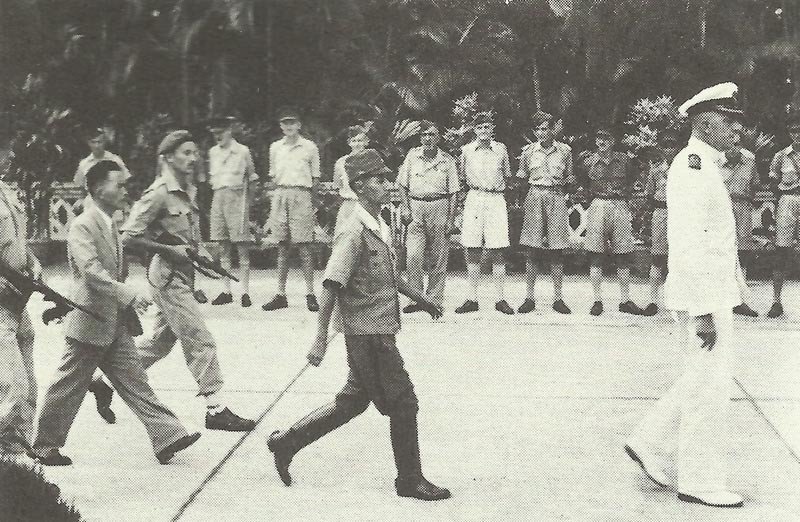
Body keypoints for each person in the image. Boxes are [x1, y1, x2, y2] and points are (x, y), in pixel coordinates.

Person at [266, 150, 451, 501]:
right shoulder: (353, 231)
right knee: (404, 402)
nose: (387, 185)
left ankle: (286, 442)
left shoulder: (378, 223)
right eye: (379, 180)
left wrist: (423, 300)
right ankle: (409, 480)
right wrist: (320, 339)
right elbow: (331, 285)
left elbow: (391, 275)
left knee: (353, 401)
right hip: (368, 335)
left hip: (377, 331)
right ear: (361, 187)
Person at [31, 160, 200, 466]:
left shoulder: (109, 223)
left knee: (136, 382)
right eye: (118, 185)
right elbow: (91, 272)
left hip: (113, 321)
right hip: (89, 318)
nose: (124, 190)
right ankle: (45, 447)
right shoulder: (83, 225)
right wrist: (128, 295)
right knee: (68, 387)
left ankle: (168, 436)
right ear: (98, 189)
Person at [625, 82, 747, 508]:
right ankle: (701, 480)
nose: (737, 130)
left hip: (711, 292)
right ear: (706, 123)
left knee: (703, 377)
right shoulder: (692, 166)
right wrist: (703, 309)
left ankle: (649, 441)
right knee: (709, 388)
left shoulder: (705, 165)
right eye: (730, 122)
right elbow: (690, 241)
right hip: (703, 297)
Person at [120, 130, 256, 432]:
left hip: (183, 274)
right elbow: (128, 237)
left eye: (195, 153)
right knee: (199, 338)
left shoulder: (188, 190)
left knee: (160, 342)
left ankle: (103, 379)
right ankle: (216, 409)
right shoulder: (158, 193)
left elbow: (187, 238)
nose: (193, 159)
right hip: (168, 277)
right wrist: (169, 250)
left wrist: (202, 258)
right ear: (167, 158)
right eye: (186, 153)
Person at [454, 112, 514, 315]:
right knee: (472, 246)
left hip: (496, 198)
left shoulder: (501, 150)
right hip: (474, 197)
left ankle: (500, 298)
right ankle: (472, 298)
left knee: (498, 248)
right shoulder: (466, 151)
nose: (483, 131)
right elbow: (461, 178)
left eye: (487, 127)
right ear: (474, 130)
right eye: (479, 128)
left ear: (492, 129)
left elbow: (507, 175)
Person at [580, 127, 644, 316]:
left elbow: (633, 181)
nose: (602, 142)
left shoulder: (624, 160)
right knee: (596, 254)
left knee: (623, 254)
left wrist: (628, 198)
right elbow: (583, 183)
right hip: (598, 204)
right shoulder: (588, 161)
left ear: (613, 140)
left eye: (606, 138)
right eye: (599, 138)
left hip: (619, 205)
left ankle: (625, 300)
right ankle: (597, 300)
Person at [262, 108, 321, 312]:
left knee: (304, 247)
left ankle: (310, 293)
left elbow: (315, 178)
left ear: (299, 125)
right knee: (282, 246)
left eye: (292, 122)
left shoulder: (309, 147)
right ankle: (280, 294)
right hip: (280, 195)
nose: (288, 126)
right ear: (280, 126)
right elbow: (273, 176)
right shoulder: (275, 148)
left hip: (302, 195)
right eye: (284, 123)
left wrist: (312, 204)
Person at [397, 121, 460, 311]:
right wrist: (406, 208)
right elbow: (401, 184)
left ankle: (434, 300)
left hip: (439, 206)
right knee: (413, 255)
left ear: (438, 138)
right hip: (415, 207)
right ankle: (416, 298)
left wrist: (450, 219)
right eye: (424, 135)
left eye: (432, 135)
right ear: (420, 138)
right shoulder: (412, 156)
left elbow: (454, 192)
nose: (428, 139)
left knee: (439, 256)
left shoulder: (447, 160)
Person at [516, 111, 574, 314]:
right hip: (535, 195)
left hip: (556, 196)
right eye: (538, 129)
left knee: (557, 250)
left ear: (552, 130)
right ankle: (529, 297)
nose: (542, 133)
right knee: (532, 249)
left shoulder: (565, 151)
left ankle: (558, 298)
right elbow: (522, 180)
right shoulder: (528, 152)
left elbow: (570, 178)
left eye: (545, 128)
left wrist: (565, 186)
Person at [0, 177, 41, 457]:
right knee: (14, 387)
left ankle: (14, 460)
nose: (10, 154)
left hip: (16, 298)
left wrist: (33, 263)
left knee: (27, 388)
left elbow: (16, 242)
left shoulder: (7, 190)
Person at [206, 116, 259, 308]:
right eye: (214, 134)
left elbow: (252, 179)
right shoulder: (212, 152)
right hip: (218, 197)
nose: (217, 136)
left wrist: (247, 206)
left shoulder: (242, 151)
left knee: (242, 247)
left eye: (220, 132)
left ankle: (244, 291)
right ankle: (226, 290)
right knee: (222, 247)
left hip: (237, 199)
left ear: (229, 131)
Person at [642, 132, 680, 316]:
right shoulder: (656, 169)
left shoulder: (685, 167)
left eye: (672, 145)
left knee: (680, 258)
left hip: (681, 214)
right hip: (662, 212)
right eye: (666, 146)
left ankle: (679, 299)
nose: (669, 149)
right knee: (657, 256)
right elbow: (649, 194)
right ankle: (653, 300)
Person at [766, 113, 800, 318]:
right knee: (782, 250)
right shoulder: (781, 156)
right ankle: (776, 301)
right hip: (787, 201)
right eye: (793, 131)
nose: (797, 135)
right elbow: (773, 182)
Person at [721, 145, 760, 317]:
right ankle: (721, 300)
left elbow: (755, 184)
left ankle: (740, 300)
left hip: (742, 206)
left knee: (742, 251)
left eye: (737, 145)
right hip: (721, 208)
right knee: (721, 250)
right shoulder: (716, 161)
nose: (733, 149)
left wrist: (746, 199)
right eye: (730, 144)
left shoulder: (749, 162)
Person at [332, 125, 369, 236]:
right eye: (354, 141)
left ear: (366, 142)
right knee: (345, 240)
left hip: (368, 205)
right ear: (349, 143)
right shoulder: (341, 162)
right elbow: (337, 185)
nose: (357, 144)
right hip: (349, 205)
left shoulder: (373, 160)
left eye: (360, 141)